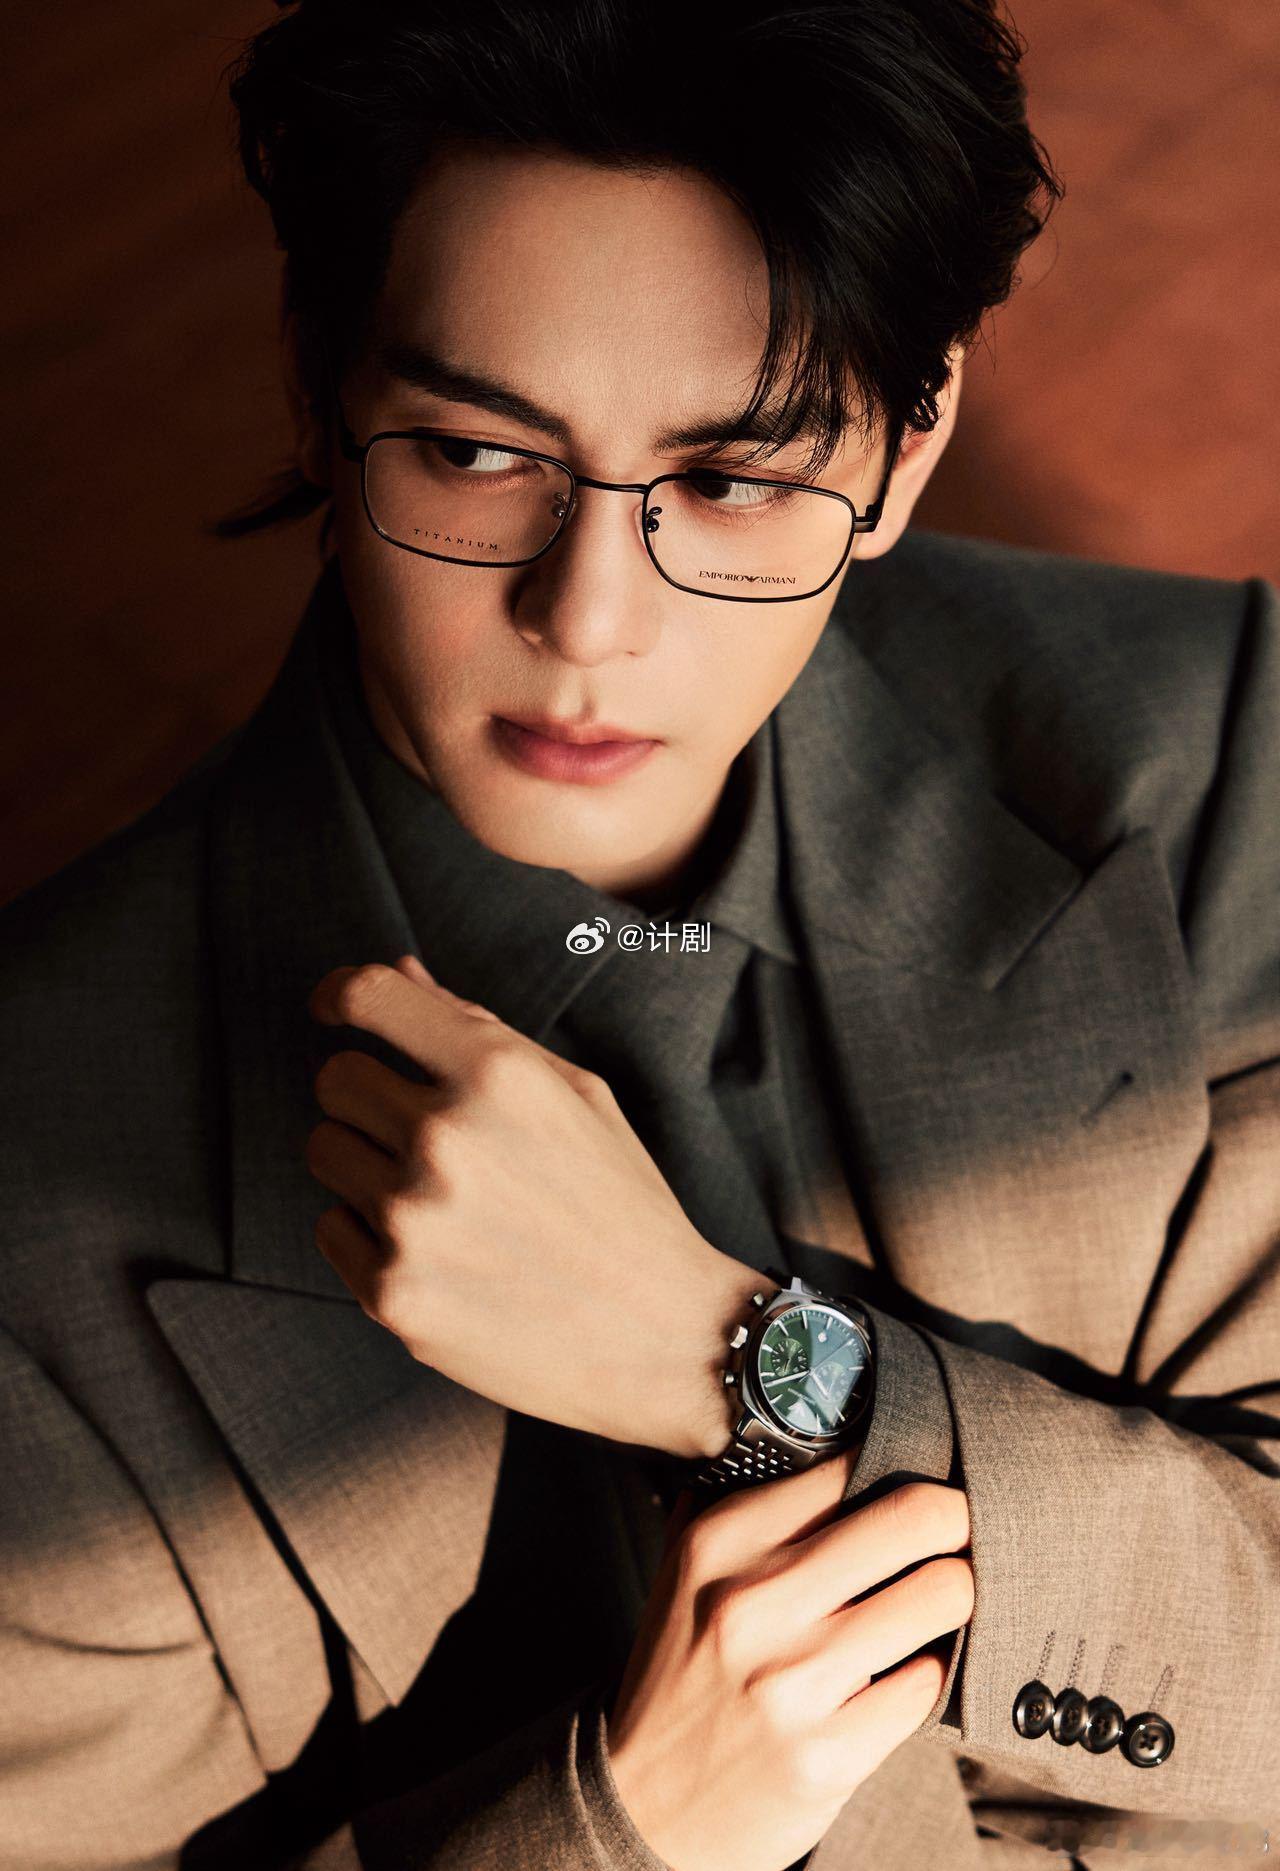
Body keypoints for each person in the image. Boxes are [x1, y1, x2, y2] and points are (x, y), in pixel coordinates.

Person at [1, 2, 1276, 1867]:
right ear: (318, 392)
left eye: (733, 481)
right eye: (472, 453)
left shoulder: (1218, 750)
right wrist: (624, 1828)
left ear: (913, 443)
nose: (589, 619)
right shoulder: (30, 1178)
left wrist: (728, 1364)